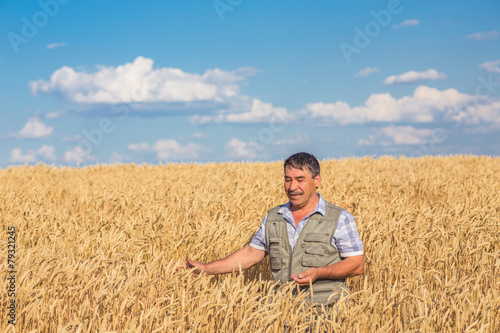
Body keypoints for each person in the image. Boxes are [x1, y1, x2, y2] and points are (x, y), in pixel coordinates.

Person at [179, 152, 364, 306]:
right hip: (281, 315)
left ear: (317, 180)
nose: (292, 187)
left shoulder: (339, 218)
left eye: (300, 180)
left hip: (326, 314)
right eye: (287, 180)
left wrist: (320, 273)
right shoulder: (274, 217)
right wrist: (206, 269)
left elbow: (357, 264)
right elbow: (251, 253)